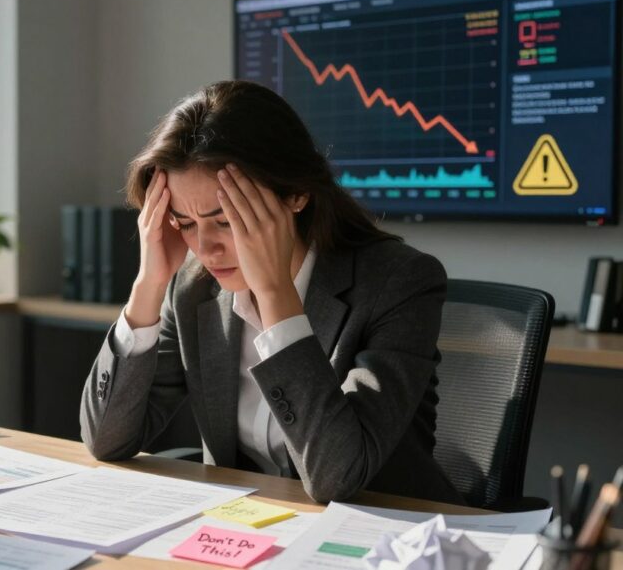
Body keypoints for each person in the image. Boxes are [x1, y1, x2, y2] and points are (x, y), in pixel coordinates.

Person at [79, 80, 463, 504]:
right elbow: (106, 441)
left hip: (379, 535)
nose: (205, 249)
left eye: (225, 219)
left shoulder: (400, 282)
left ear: (296, 193)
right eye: (185, 222)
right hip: (252, 527)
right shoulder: (191, 290)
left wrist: (275, 294)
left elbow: (338, 478)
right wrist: (148, 285)